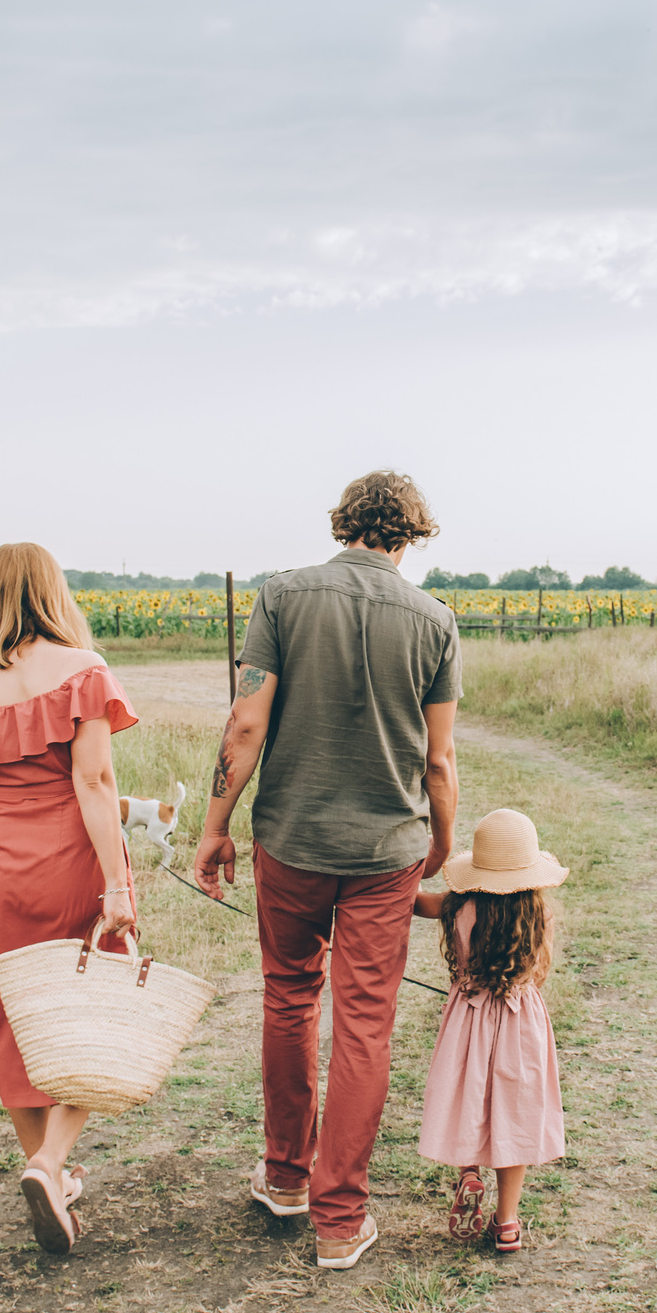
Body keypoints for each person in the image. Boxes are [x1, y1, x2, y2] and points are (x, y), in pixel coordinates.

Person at [193, 470, 461, 1271]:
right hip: (386, 855)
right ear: (410, 536)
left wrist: (215, 826)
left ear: (344, 522)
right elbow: (439, 761)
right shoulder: (436, 621)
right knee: (365, 1025)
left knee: (288, 998)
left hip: (291, 839)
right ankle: (341, 1220)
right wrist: (439, 847)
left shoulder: (281, 595)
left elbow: (246, 720)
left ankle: (285, 1179)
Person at [0, 543, 141, 1256]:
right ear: (54, 593)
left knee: (12, 1015)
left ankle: (51, 1167)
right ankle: (51, 1162)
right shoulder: (84, 673)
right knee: (91, 1009)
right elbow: (95, 784)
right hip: (73, 858)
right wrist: (118, 883)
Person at [414, 809, 568, 1255]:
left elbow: (414, 902)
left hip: (469, 1017)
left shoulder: (459, 907)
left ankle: (468, 1172)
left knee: (468, 1094)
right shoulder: (539, 913)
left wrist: (393, 883)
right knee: (514, 1111)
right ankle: (507, 1222)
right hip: (521, 1022)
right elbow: (539, 973)